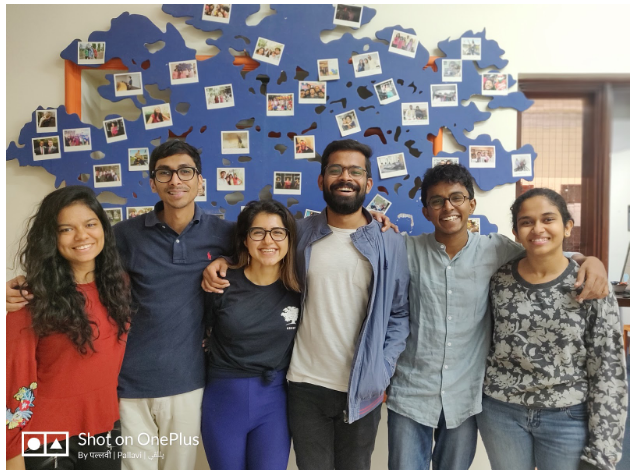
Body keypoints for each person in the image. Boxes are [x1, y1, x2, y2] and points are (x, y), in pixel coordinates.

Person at [386, 164, 610, 470]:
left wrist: (590, 260)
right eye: (437, 201)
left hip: (465, 397)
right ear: (426, 211)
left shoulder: (496, 249)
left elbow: (545, 252)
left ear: (471, 204)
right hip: (411, 392)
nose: (448, 207)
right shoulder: (405, 250)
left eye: (457, 198)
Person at [204, 139, 410, 470]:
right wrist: (224, 261)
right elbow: (261, 248)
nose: (346, 177)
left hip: (362, 387)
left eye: (355, 171)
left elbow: (398, 314)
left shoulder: (390, 242)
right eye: (336, 169)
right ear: (321, 179)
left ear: (369, 183)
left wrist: (382, 369)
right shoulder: (299, 235)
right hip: (303, 385)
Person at [477, 188, 627, 470]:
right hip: (501, 412)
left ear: (567, 226)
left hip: (567, 416)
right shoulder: (499, 281)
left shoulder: (590, 285)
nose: (538, 229)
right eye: (526, 222)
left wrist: (603, 452)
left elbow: (608, 368)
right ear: (516, 232)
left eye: (548, 219)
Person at [6, 186, 131, 470]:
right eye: (66, 229)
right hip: (44, 438)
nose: (82, 236)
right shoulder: (28, 298)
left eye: (90, 224)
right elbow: (13, 383)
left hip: (105, 430)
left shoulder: (118, 285)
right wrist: (11, 457)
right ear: (51, 237)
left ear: (103, 228)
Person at [201, 200, 301, 470]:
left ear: (289, 238)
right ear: (245, 239)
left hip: (275, 402)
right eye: (258, 232)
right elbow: (199, 332)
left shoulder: (299, 287)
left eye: (277, 232)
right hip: (224, 399)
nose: (268, 240)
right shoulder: (220, 282)